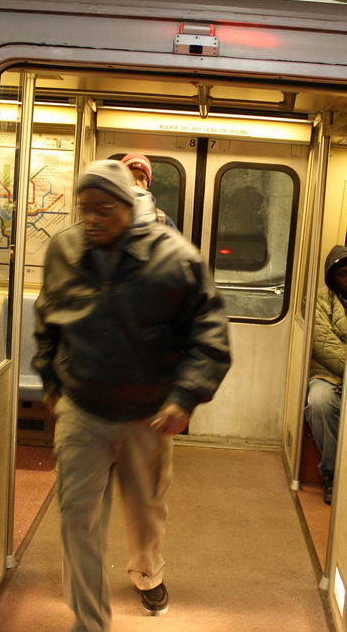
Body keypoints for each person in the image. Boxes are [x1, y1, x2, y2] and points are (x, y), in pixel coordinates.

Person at [33, 160, 231, 631]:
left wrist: (184, 398)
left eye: (104, 209)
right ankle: (90, 622)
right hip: (83, 408)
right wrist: (50, 380)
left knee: (144, 518)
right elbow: (47, 318)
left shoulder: (175, 259)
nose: (94, 219)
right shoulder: (64, 250)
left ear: (130, 206)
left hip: (148, 416)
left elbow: (211, 336)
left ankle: (146, 574)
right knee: (77, 522)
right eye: (85, 210)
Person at [305, 245, 347, 505]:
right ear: (331, 277)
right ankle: (332, 475)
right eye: (342, 274)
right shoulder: (320, 300)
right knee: (320, 402)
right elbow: (323, 344)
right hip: (329, 374)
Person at [121, 152, 178, 229]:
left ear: (147, 184)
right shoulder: (113, 218)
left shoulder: (162, 221)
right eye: (131, 177)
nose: (136, 183)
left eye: (141, 178)